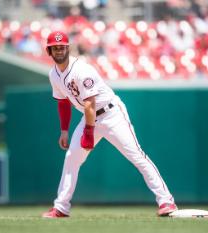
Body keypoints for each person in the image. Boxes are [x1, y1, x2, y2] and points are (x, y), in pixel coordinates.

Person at [42, 31, 177, 218]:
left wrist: (88, 133)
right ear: (49, 50)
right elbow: (63, 102)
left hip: (111, 114)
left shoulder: (82, 69)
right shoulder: (53, 74)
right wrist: (64, 130)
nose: (59, 50)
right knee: (72, 158)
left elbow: (90, 103)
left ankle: (166, 201)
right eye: (55, 48)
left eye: (62, 47)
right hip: (88, 117)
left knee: (137, 156)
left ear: (68, 48)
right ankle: (61, 207)